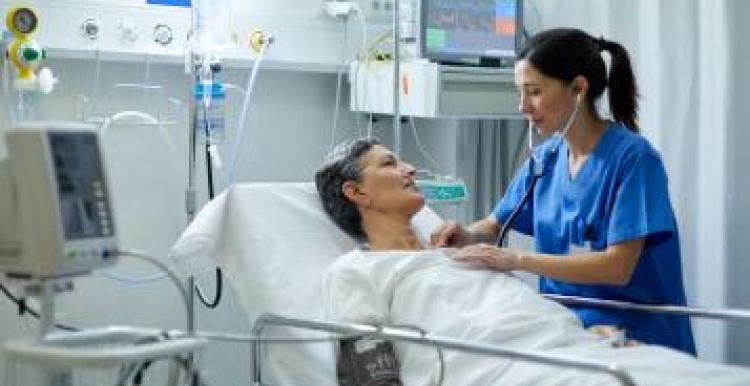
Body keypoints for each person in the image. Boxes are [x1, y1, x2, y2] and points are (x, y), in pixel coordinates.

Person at [313, 139, 747, 385]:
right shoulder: (356, 271)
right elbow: (370, 375)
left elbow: (514, 311)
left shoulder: (463, 255)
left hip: (580, 354)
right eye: (390, 163)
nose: (410, 168)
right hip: (508, 371)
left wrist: (584, 336)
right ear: (357, 193)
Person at [430, 28, 695, 354]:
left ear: (578, 88)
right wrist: (467, 236)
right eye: (520, 93)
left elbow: (617, 267)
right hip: (565, 331)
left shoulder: (634, 160)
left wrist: (516, 259)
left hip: (638, 335)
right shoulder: (545, 160)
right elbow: (496, 224)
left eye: (534, 92)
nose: (522, 106)